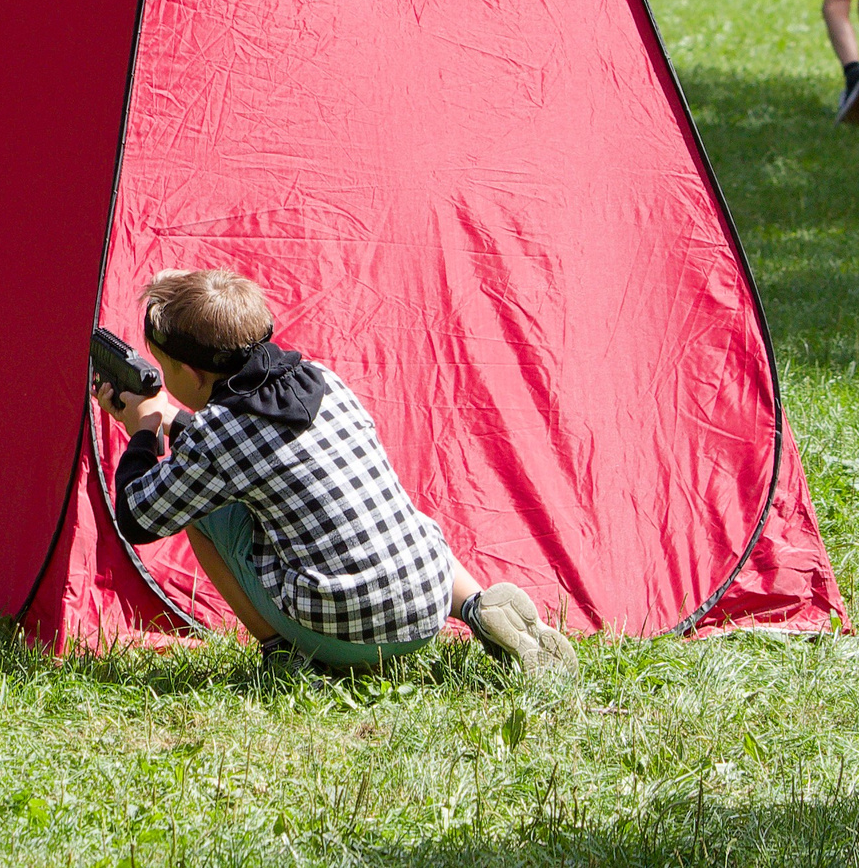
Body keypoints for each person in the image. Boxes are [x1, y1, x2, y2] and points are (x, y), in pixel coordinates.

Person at [95, 268, 579, 676]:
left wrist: (142, 431)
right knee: (384, 513)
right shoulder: (321, 378)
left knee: (202, 516)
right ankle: (478, 605)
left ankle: (280, 652)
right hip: (431, 597)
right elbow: (238, 451)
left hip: (359, 637)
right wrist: (165, 415)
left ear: (193, 374)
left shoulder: (221, 436)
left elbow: (139, 518)